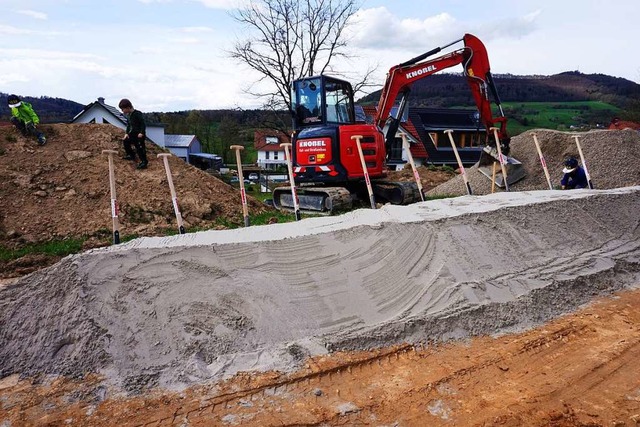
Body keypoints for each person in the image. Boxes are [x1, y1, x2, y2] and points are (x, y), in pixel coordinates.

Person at [118, 98, 148, 169]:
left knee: (140, 148)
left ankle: (144, 162)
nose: (122, 111)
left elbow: (143, 124)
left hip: (139, 135)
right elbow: (128, 125)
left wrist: (141, 132)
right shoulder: (128, 116)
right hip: (132, 134)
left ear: (128, 107)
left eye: (123, 109)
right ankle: (131, 155)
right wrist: (126, 133)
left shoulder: (137, 114)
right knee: (125, 141)